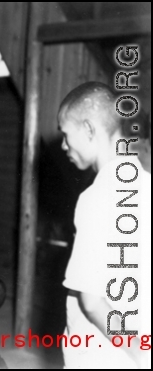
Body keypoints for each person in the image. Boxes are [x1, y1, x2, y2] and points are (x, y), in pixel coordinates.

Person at [58, 82, 151, 368]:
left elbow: (93, 301)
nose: (63, 145)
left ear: (88, 129)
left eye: (66, 134)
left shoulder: (96, 197)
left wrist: (137, 353)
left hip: (100, 349)